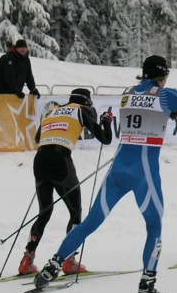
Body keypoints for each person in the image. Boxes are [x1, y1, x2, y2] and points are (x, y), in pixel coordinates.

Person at [34, 55, 177, 293]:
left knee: (91, 221)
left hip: (119, 168)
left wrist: (169, 112)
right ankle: (147, 286)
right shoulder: (165, 95)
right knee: (154, 226)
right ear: (163, 75)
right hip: (144, 172)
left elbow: (145, 111)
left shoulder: (127, 93)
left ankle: (53, 265)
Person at [18, 88, 114, 275]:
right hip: (60, 160)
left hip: (40, 160)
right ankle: (69, 261)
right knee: (75, 212)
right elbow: (105, 139)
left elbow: (38, 138)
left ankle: (27, 259)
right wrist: (106, 123)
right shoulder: (81, 110)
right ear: (86, 102)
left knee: (44, 212)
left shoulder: (52, 110)